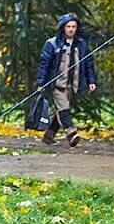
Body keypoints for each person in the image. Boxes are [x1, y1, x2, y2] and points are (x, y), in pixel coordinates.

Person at [35, 13, 98, 146]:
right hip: (57, 84)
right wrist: (41, 82)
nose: (71, 29)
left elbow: (88, 64)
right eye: (68, 26)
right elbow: (44, 64)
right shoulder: (52, 44)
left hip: (72, 85)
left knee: (60, 110)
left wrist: (91, 81)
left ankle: (48, 136)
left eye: (73, 27)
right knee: (64, 108)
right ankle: (71, 134)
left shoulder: (81, 45)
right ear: (63, 28)